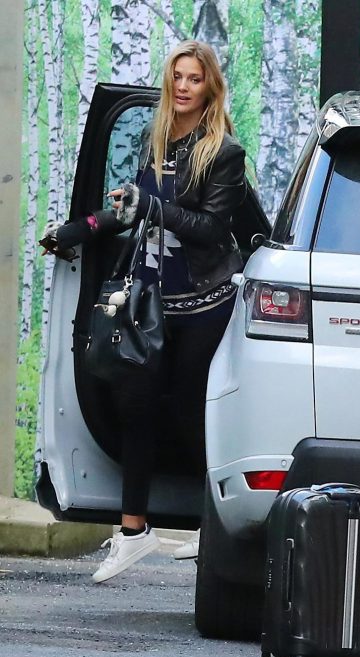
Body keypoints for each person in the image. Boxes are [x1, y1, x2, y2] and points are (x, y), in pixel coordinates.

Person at [40, 40, 254, 582]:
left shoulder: (223, 151)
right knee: (133, 402)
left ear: (210, 88)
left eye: (194, 79)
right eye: (177, 77)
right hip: (152, 300)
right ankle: (134, 531)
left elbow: (211, 228)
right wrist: (72, 232)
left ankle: (218, 527)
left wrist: (153, 207)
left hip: (204, 303)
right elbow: (126, 209)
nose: (183, 87)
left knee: (188, 410)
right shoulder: (153, 138)